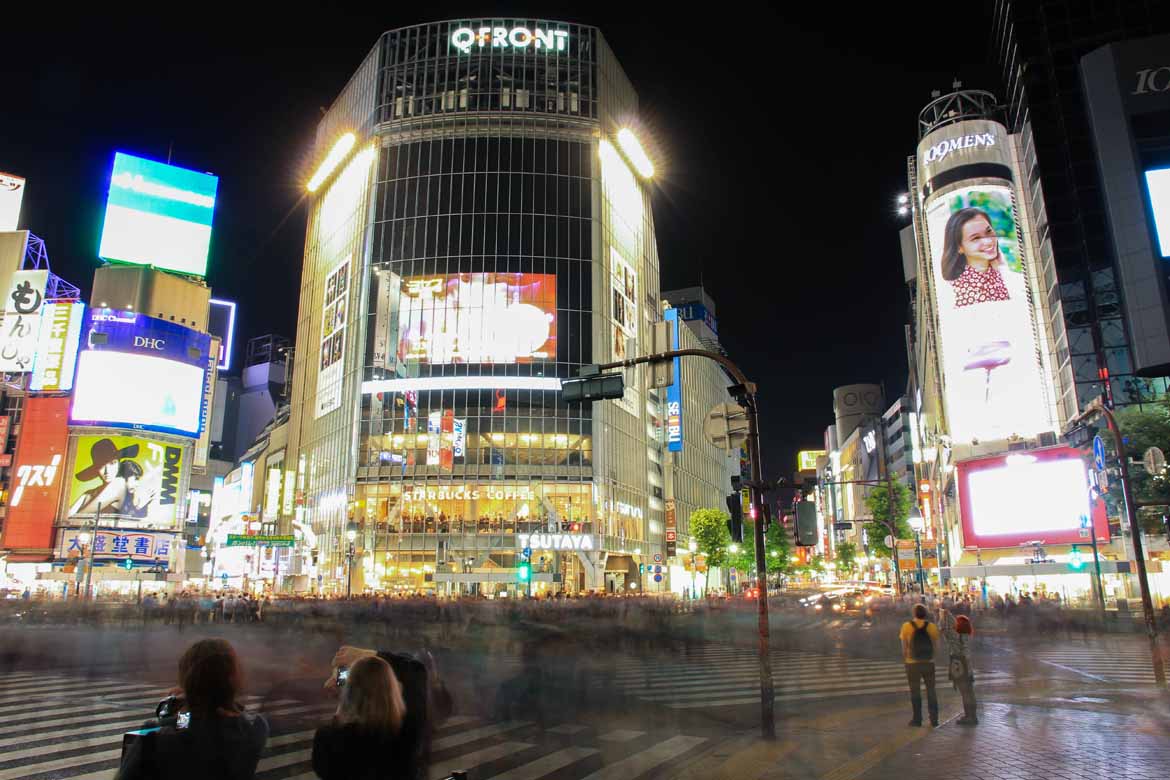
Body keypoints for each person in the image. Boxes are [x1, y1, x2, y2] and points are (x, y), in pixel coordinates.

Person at [115, 638, 269, 779]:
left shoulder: (152, 738)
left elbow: (184, 731)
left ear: (187, 679)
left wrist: (185, 706)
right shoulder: (256, 728)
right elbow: (215, 723)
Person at [323, 645, 436, 778]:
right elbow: (417, 670)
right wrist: (368, 654)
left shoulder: (329, 740)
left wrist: (344, 698)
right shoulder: (403, 736)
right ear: (392, 690)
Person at [312, 655, 409, 779]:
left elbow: (323, 770)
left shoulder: (328, 738)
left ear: (350, 691)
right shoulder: (403, 735)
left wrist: (343, 702)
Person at [940, 207, 1015, 308]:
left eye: (989, 232)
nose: (988, 241)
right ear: (960, 247)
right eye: (976, 238)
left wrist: (1004, 270)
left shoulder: (1007, 276)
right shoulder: (952, 292)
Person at [899, 604, 940, 727]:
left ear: (914, 613)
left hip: (912, 664)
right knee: (931, 691)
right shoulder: (931, 627)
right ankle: (934, 719)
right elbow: (937, 646)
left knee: (915, 691)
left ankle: (917, 719)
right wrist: (933, 657)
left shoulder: (906, 626)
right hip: (928, 663)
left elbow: (904, 647)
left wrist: (906, 658)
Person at [941, 608, 977, 725]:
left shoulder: (957, 638)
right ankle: (972, 715)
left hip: (959, 666)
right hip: (968, 666)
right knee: (970, 692)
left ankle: (969, 717)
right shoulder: (966, 636)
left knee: (965, 693)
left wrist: (947, 615)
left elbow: (947, 631)